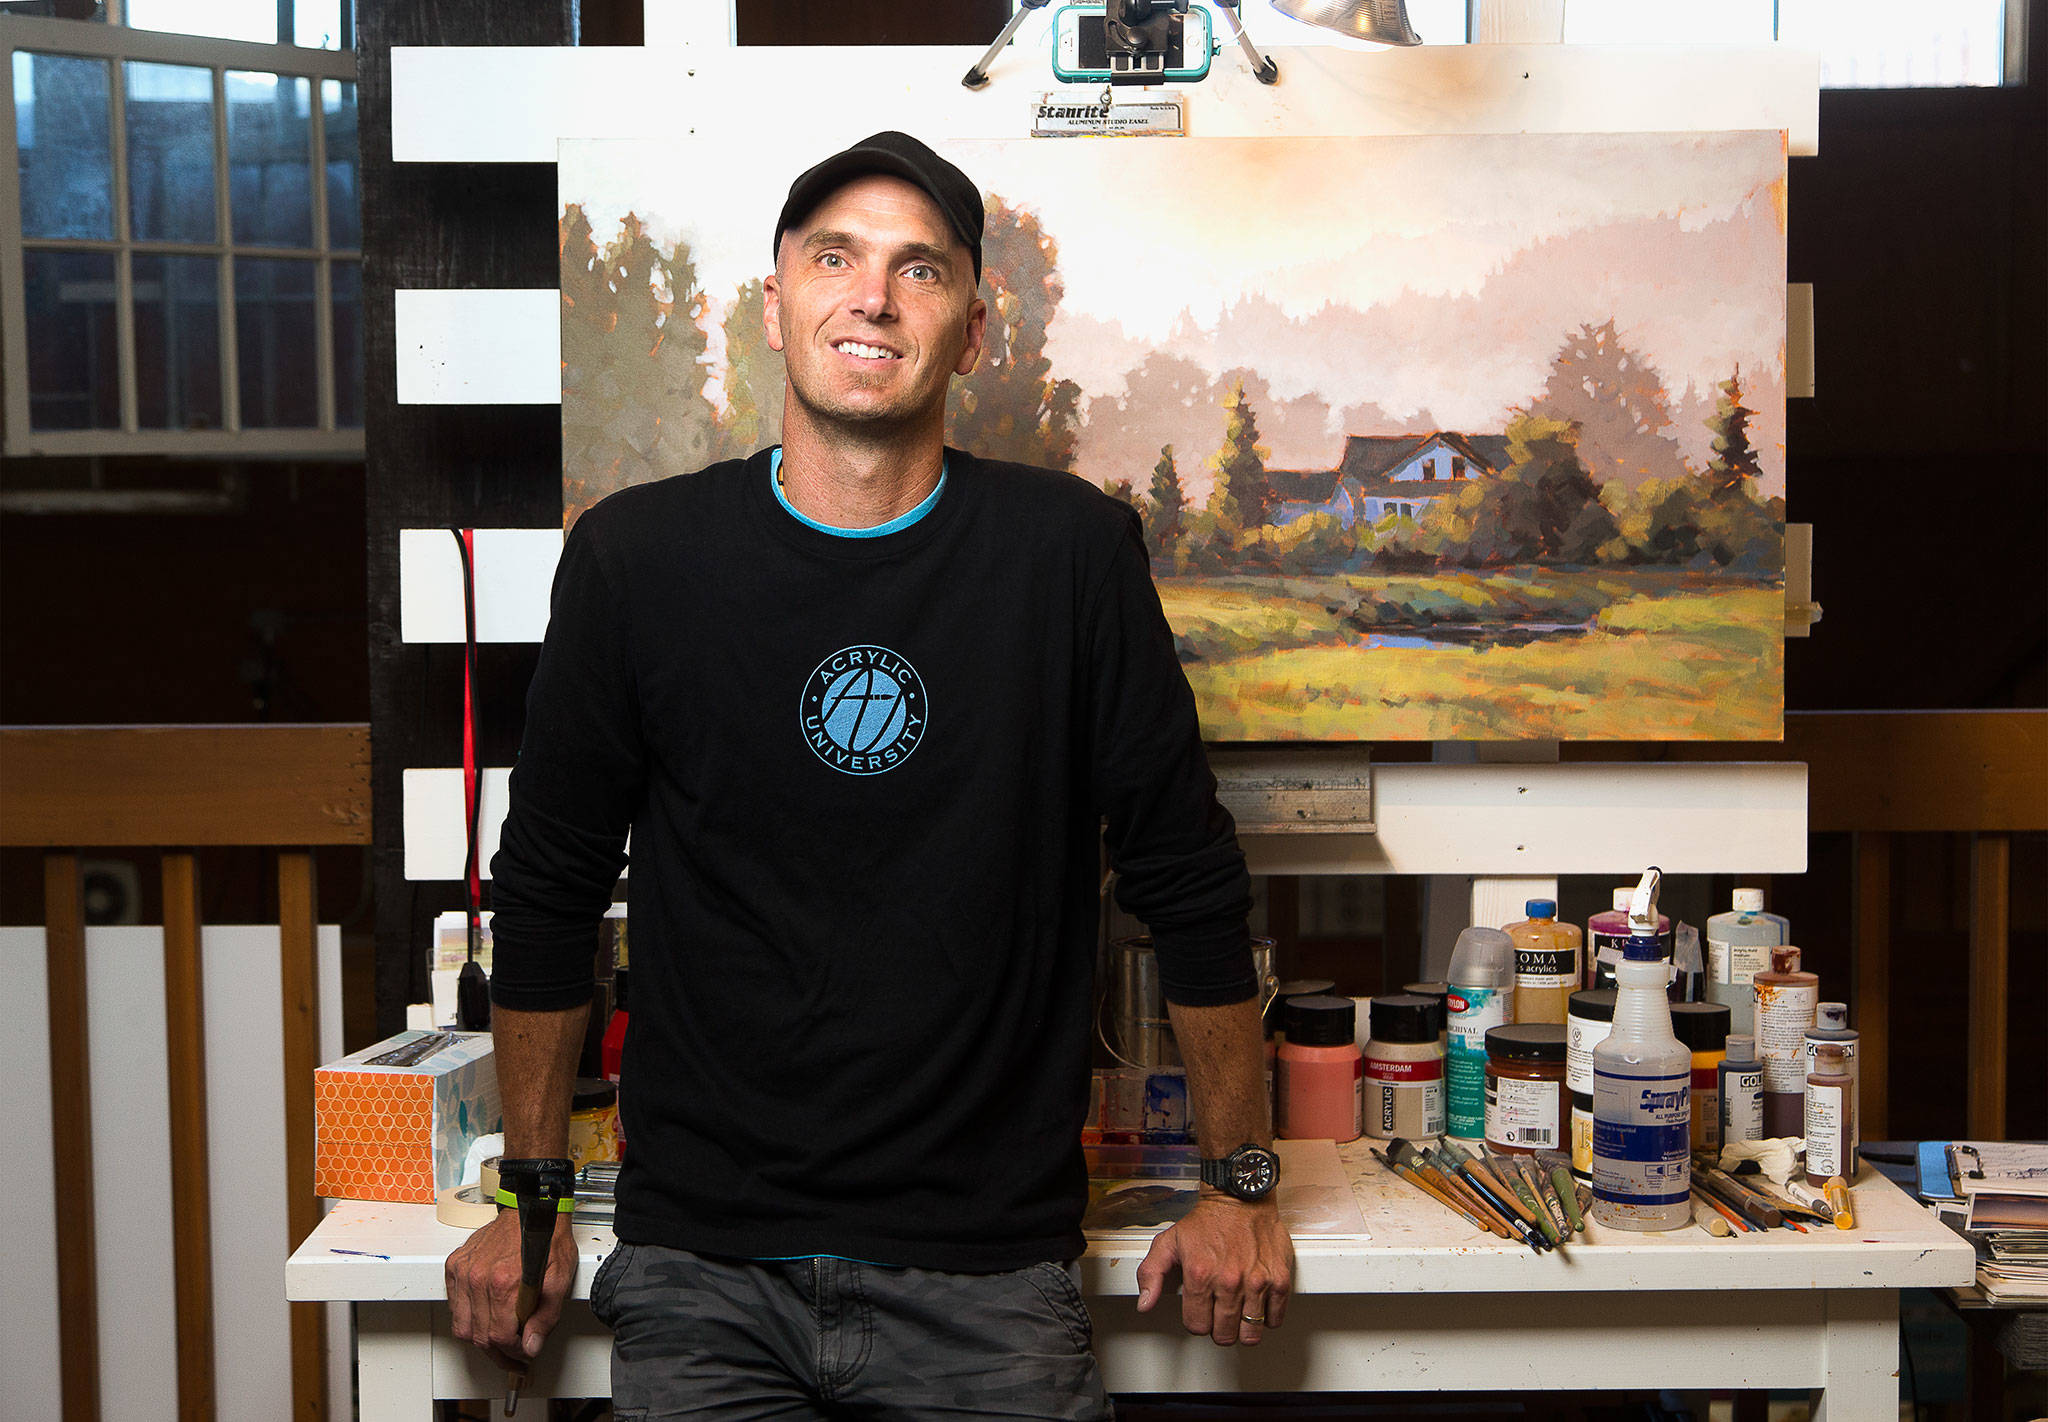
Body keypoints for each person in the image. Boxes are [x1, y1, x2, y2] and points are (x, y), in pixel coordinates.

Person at [446, 130, 1293, 1419]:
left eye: (923, 269)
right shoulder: (637, 560)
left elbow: (1187, 878)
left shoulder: (1070, 558)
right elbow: (551, 892)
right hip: (703, 1272)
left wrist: (1239, 1184)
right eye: (835, 258)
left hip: (990, 1277)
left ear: (976, 329)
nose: (874, 299)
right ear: (774, 299)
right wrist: (532, 1196)